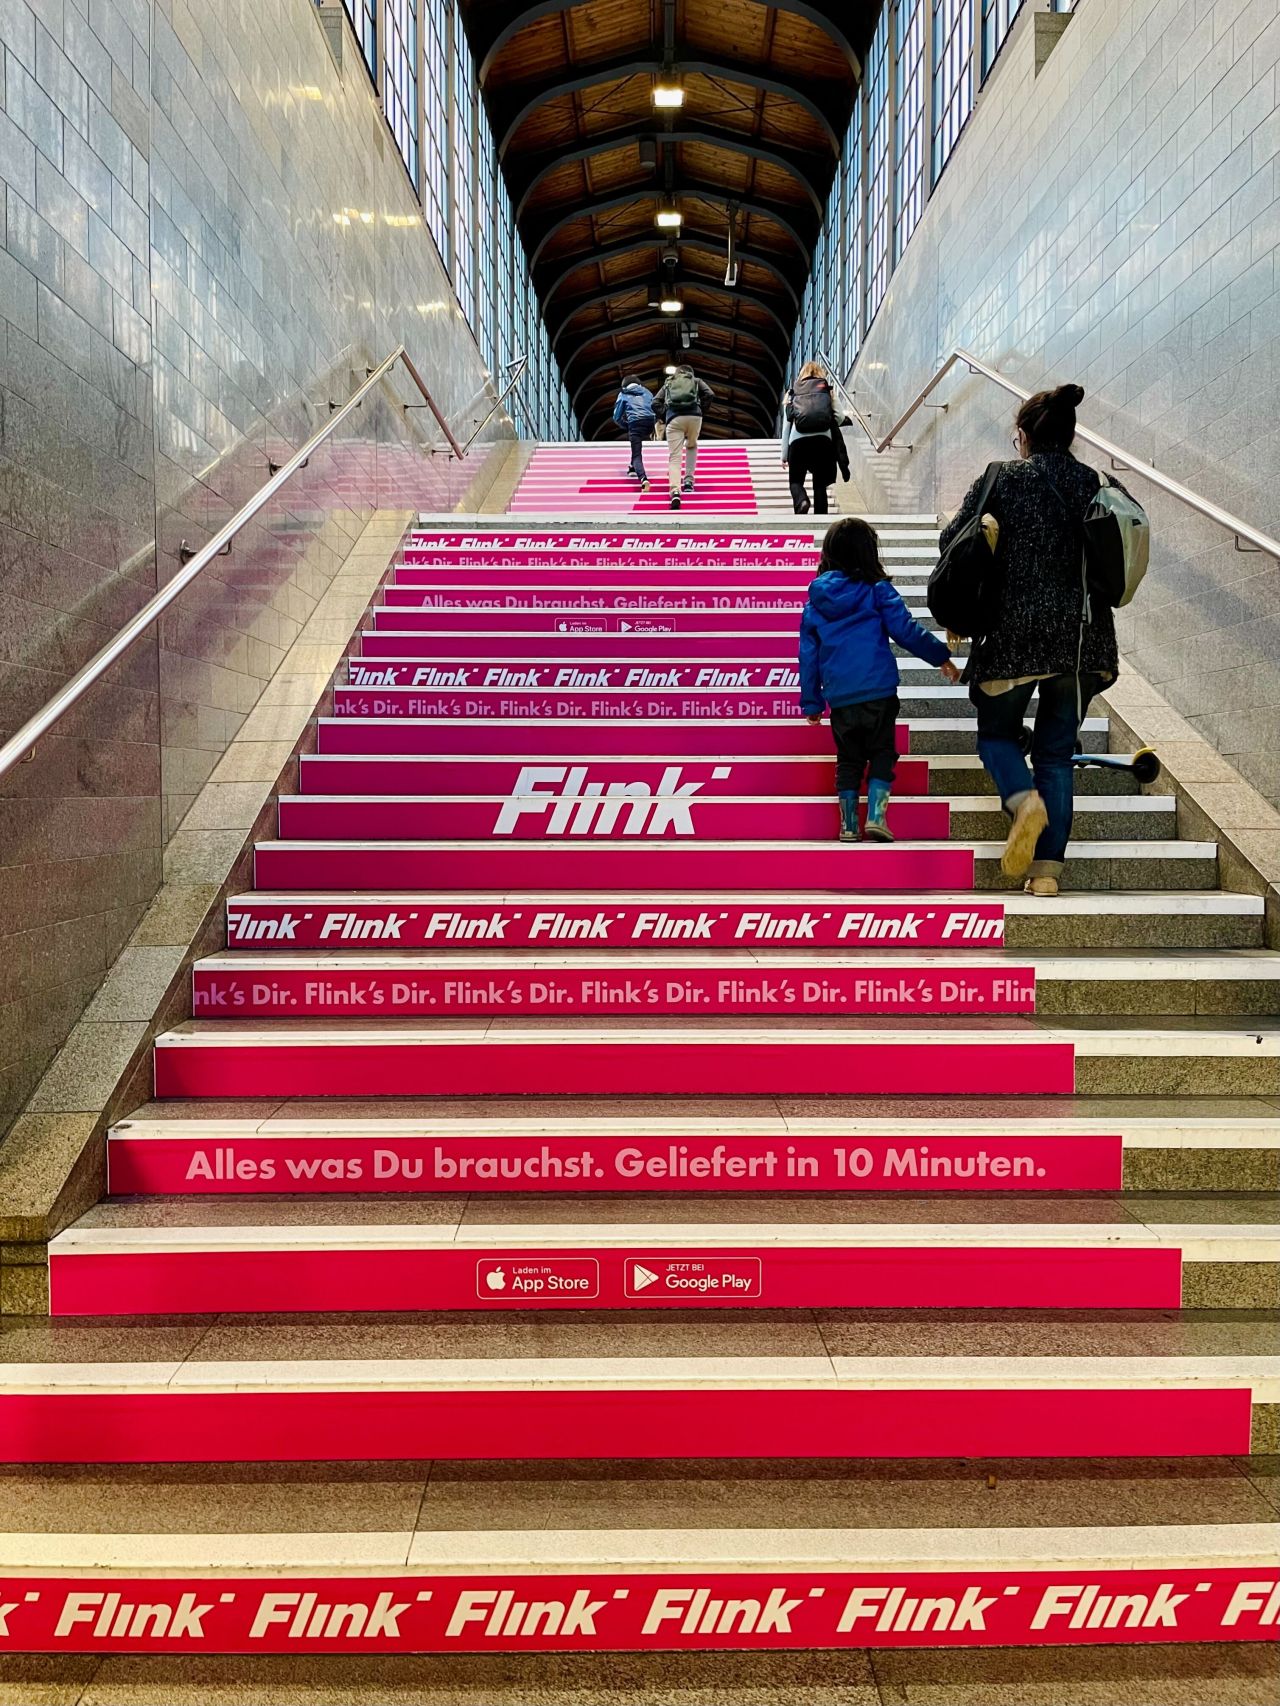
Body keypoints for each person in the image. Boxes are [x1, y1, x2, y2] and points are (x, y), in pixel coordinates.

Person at [939, 382, 1121, 898]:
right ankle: (1046, 874)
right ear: (1070, 435)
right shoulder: (1095, 483)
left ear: (1022, 436)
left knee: (996, 736)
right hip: (1084, 640)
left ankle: (1022, 800)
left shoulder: (1002, 479)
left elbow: (952, 540)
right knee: (1056, 754)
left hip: (1013, 635)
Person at [799, 517, 959, 843]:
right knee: (882, 752)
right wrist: (940, 655)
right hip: (878, 691)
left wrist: (813, 702)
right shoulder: (877, 590)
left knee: (848, 759)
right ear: (868, 552)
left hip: (841, 697)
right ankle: (876, 817)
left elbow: (808, 657)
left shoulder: (815, 602)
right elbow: (905, 630)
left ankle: (847, 825)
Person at [781, 361, 850, 514]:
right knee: (820, 484)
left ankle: (802, 501)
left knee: (796, 481)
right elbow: (839, 417)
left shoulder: (793, 392)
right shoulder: (827, 390)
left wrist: (784, 455)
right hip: (823, 442)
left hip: (798, 443)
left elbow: (787, 426)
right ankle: (821, 519)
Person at [653, 365, 714, 508]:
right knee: (691, 446)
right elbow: (710, 394)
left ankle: (675, 491)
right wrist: (701, 410)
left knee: (675, 456)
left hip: (674, 419)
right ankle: (688, 482)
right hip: (695, 417)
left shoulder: (668, 382)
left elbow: (655, 402)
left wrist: (666, 415)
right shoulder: (696, 380)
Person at [612, 374, 656, 491]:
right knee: (636, 444)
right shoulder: (648, 392)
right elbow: (655, 407)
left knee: (637, 453)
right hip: (650, 423)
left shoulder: (623, 394)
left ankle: (643, 479)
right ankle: (632, 467)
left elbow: (617, 417)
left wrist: (626, 426)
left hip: (635, 423)